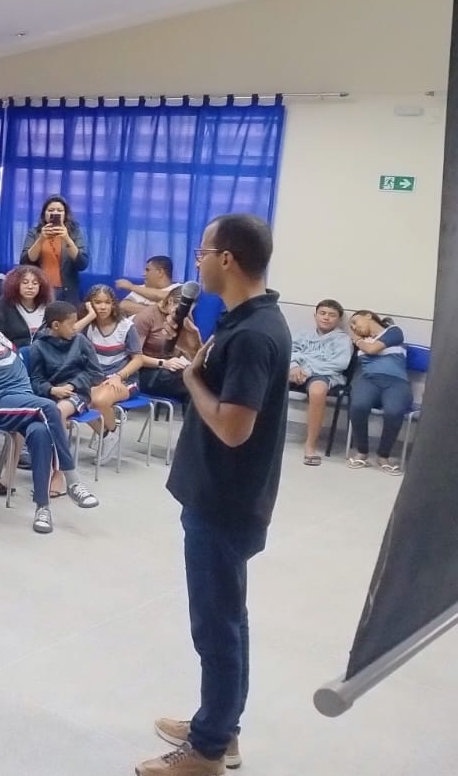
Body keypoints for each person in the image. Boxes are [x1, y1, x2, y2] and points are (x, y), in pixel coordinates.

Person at [139, 213, 289, 776]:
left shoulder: (253, 333)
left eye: (203, 251)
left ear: (226, 258)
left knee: (217, 624)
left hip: (225, 502)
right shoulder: (247, 318)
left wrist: (192, 380)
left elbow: (232, 427)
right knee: (229, 617)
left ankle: (205, 752)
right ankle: (219, 727)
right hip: (223, 495)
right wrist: (202, 351)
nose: (196, 261)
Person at [0, 301, 98, 533]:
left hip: (25, 400)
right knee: (50, 409)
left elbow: (48, 326)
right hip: (0, 403)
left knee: (40, 432)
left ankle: (43, 508)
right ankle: (73, 481)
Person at [29, 300, 125, 467]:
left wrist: (72, 385)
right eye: (71, 324)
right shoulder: (38, 346)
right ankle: (47, 455)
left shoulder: (80, 341)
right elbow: (35, 380)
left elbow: (96, 374)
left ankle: (60, 466)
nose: (75, 327)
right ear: (56, 325)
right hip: (50, 393)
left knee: (57, 412)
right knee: (44, 413)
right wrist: (52, 390)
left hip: (77, 392)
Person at [82, 284, 148, 462]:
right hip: (97, 378)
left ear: (113, 304)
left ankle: (111, 433)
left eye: (107, 302)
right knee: (77, 400)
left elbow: (138, 359)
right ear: (90, 304)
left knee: (99, 400)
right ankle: (108, 434)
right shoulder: (88, 326)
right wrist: (88, 316)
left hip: (124, 380)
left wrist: (119, 376)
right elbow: (69, 334)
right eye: (97, 302)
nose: (102, 307)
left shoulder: (126, 326)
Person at [285, 300, 352, 465]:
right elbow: (289, 351)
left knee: (317, 392)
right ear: (315, 315)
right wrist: (293, 366)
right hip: (297, 372)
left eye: (332, 315)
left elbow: (340, 364)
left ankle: (310, 445)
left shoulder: (343, 340)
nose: (326, 318)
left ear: (338, 319)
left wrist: (308, 370)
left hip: (323, 374)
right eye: (323, 313)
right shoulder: (303, 334)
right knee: (269, 381)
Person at [345, 309, 410, 473]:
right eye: (351, 327)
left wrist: (357, 341)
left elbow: (372, 350)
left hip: (396, 383)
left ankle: (383, 455)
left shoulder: (394, 331)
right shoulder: (364, 342)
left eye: (355, 322)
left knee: (394, 412)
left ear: (368, 316)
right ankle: (362, 452)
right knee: (358, 406)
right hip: (369, 381)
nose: (354, 327)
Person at [132, 286, 198, 404]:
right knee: (191, 383)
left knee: (199, 380)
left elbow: (186, 351)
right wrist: (164, 363)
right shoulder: (145, 317)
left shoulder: (185, 319)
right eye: (181, 311)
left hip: (172, 369)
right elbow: (134, 357)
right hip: (145, 372)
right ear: (171, 301)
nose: (185, 315)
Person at [19, 196, 90, 302]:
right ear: (44, 214)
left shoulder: (74, 232)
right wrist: (41, 239)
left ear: (65, 214)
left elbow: (82, 263)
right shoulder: (34, 232)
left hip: (67, 290)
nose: (55, 213)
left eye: (60, 210)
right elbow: (25, 262)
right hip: (41, 289)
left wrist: (66, 238)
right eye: (51, 210)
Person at [0, 264, 51, 347]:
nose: (30, 287)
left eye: (35, 283)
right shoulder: (3, 306)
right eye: (25, 282)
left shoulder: (48, 306)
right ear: (15, 285)